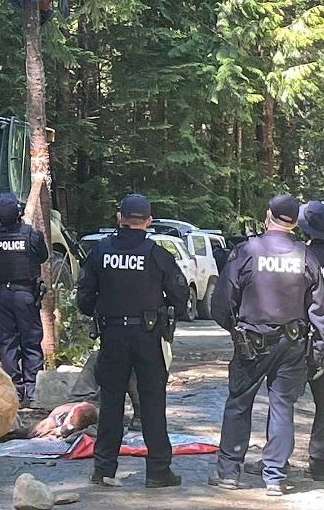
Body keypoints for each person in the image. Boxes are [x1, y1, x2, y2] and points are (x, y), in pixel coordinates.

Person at [210, 195, 324, 496]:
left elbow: (221, 303)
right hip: (292, 344)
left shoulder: (246, 251)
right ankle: (274, 477)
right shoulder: (305, 256)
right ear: (296, 223)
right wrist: (317, 349)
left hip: (252, 342)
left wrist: (236, 330)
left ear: (268, 215)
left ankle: (228, 473)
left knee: (238, 404)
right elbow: (318, 310)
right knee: (282, 407)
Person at [77, 194, 189, 489]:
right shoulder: (156, 254)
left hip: (112, 336)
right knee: (153, 402)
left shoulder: (101, 252)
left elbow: (84, 299)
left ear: (119, 217)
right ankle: (158, 471)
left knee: (112, 401)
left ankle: (104, 470)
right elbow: (181, 295)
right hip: (147, 336)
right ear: (148, 221)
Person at [0, 192, 48, 404]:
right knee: (30, 341)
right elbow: (43, 257)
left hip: (2, 295)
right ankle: (33, 390)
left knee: (7, 344)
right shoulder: (32, 235)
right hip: (25, 295)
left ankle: (15, 392)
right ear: (18, 213)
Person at [299, 199, 324, 481]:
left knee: (282, 401)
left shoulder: (302, 257)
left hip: (303, 340)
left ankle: (276, 460)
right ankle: (318, 462)